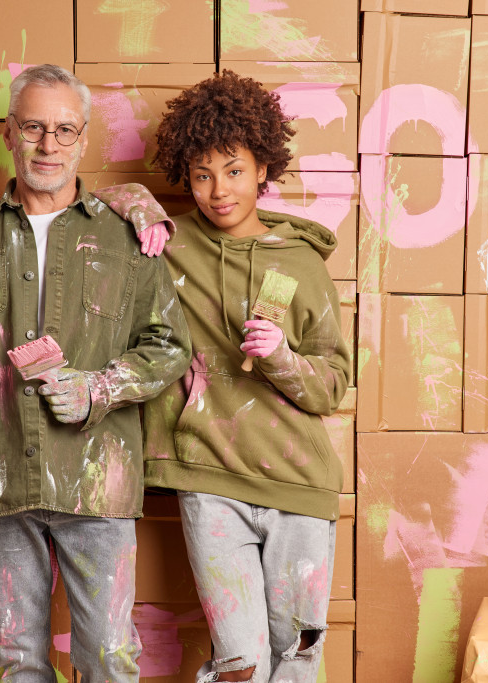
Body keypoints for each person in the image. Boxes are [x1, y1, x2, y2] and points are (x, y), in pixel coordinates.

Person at [0, 64, 191, 682]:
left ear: (84, 138)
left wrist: (97, 388)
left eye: (65, 130)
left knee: (109, 657)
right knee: (17, 662)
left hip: (98, 483)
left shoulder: (127, 238)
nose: (49, 144)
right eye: (34, 127)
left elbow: (170, 345)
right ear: (9, 133)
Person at [142, 71, 352, 683]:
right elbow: (85, 207)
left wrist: (284, 357)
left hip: (298, 487)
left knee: (297, 658)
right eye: (202, 174)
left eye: (233, 170)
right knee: (241, 663)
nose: (217, 190)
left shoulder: (302, 265)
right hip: (210, 483)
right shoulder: (169, 243)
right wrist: (135, 208)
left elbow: (335, 383)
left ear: (263, 167)